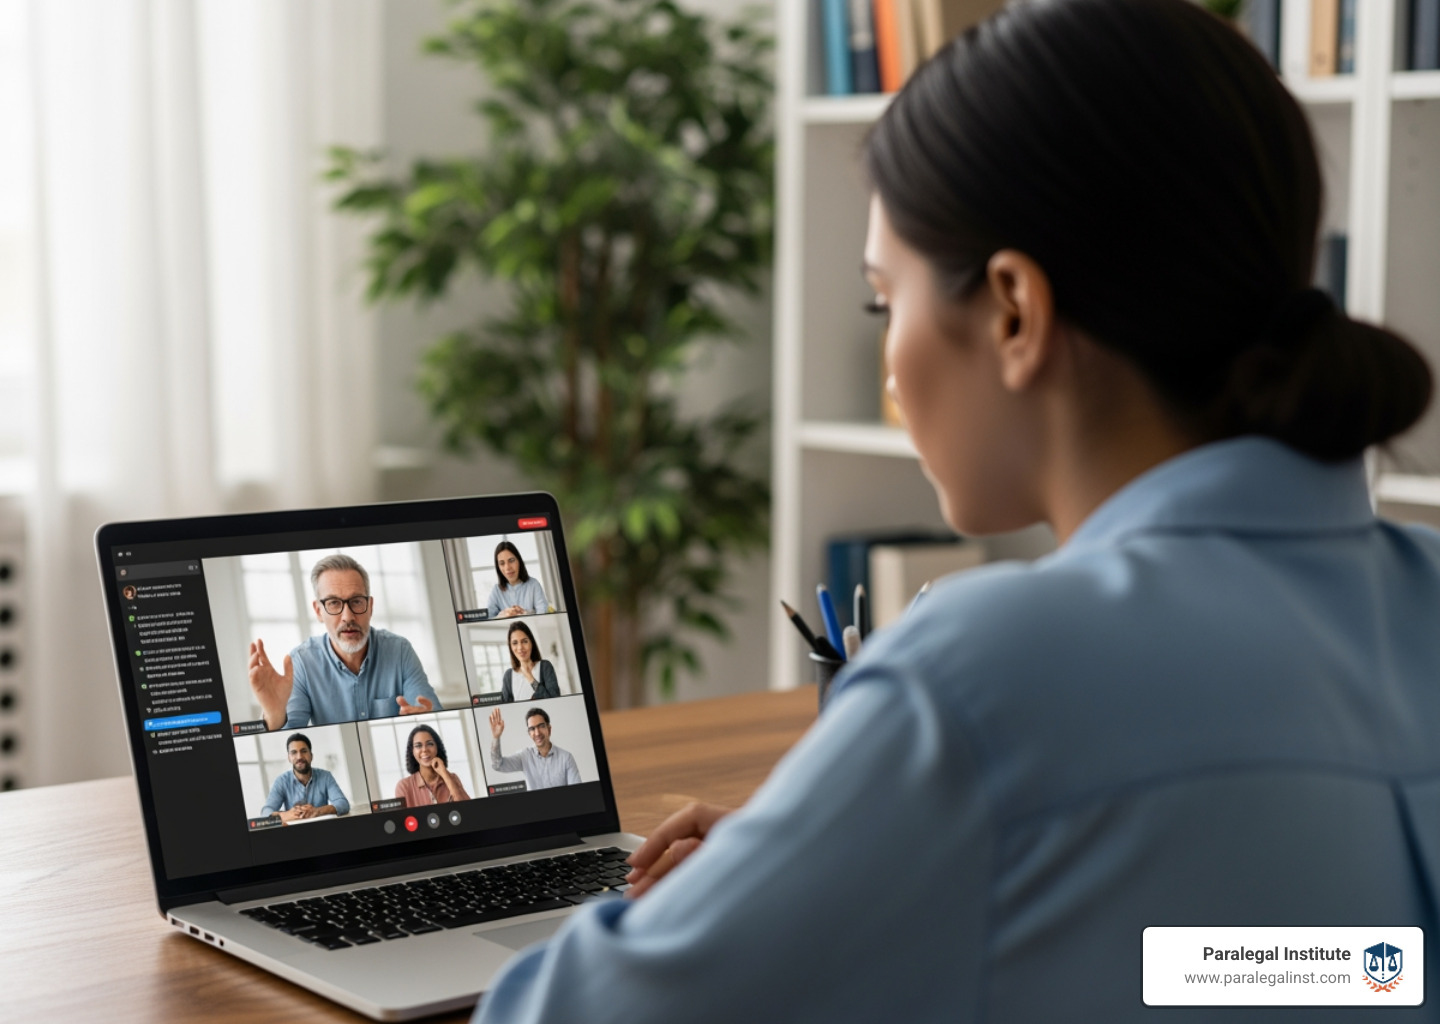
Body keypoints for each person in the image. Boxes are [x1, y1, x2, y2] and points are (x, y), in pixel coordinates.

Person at [472, 2, 1440, 1021]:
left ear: (1015, 310)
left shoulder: (990, 672)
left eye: (885, 300)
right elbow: (1345, 967)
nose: (888, 356)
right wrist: (859, 853)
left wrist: (773, 882)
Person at [247, 553, 442, 730]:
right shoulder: (302, 663)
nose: (347, 617)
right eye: (333, 603)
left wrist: (428, 719)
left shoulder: (400, 651)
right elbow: (292, 740)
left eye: (356, 601)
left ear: (370, 606)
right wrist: (274, 716)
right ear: (318, 611)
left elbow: (426, 709)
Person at [260, 732, 349, 821]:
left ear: (311, 756)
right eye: (294, 752)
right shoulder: (281, 781)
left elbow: (343, 804)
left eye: (304, 751)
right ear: (289, 758)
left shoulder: (326, 776)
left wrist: (317, 811)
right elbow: (266, 812)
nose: (299, 757)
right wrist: (285, 815)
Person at [488, 706, 580, 790]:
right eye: (532, 729)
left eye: (541, 726)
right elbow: (498, 765)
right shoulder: (524, 756)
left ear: (549, 729)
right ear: (529, 733)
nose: (537, 733)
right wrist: (496, 737)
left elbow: (576, 792)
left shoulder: (566, 757)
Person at [394, 723, 471, 807]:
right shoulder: (404, 786)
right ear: (412, 751)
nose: (424, 750)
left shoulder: (452, 778)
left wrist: (444, 774)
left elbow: (468, 808)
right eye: (418, 746)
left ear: (437, 747)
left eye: (430, 744)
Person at [499, 621, 561, 702]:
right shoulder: (508, 676)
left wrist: (530, 677)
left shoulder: (545, 667)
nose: (520, 647)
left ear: (531, 643)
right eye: (515, 643)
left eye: (524, 641)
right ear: (510, 647)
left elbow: (555, 700)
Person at [485, 540, 549, 618]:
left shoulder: (533, 585)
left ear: (519, 561)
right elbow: (490, 619)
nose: (507, 567)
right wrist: (504, 614)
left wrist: (525, 613)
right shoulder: (496, 590)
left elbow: (544, 615)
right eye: (502, 563)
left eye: (511, 560)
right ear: (498, 567)